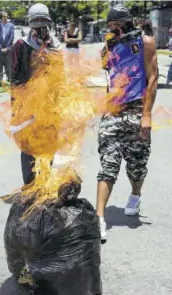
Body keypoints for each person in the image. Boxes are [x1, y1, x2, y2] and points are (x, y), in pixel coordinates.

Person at [96, 4, 158, 243]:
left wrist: (147, 115)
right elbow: (106, 70)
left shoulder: (146, 42)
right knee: (108, 164)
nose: (114, 30)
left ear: (129, 23)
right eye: (110, 26)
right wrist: (108, 46)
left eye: (117, 26)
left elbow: (152, 79)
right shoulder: (110, 45)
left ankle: (135, 194)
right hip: (113, 111)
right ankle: (99, 217)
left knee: (136, 166)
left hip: (136, 108)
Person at [11, 3, 62, 186]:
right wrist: (16, 108)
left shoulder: (55, 45)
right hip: (29, 105)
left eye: (43, 20)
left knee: (49, 144)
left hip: (50, 104)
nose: (40, 25)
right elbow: (16, 78)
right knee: (29, 146)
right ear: (30, 23)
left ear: (48, 22)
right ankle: (30, 185)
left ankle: (45, 182)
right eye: (36, 21)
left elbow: (60, 75)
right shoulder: (21, 45)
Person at [0, 11, 14, 82]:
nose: (5, 18)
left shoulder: (11, 26)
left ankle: (10, 81)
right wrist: (0, 48)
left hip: (8, 51)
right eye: (4, 17)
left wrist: (7, 48)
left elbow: (11, 38)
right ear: (1, 18)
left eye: (6, 16)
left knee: (8, 68)